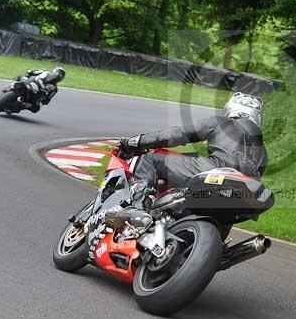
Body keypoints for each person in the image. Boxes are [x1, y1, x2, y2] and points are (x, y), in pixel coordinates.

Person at [104, 92, 268, 227]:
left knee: (151, 160)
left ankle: (136, 209)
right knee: (226, 212)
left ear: (231, 109)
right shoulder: (262, 152)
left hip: (214, 170)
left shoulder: (222, 122)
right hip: (241, 193)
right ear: (257, 118)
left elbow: (177, 135)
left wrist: (138, 141)